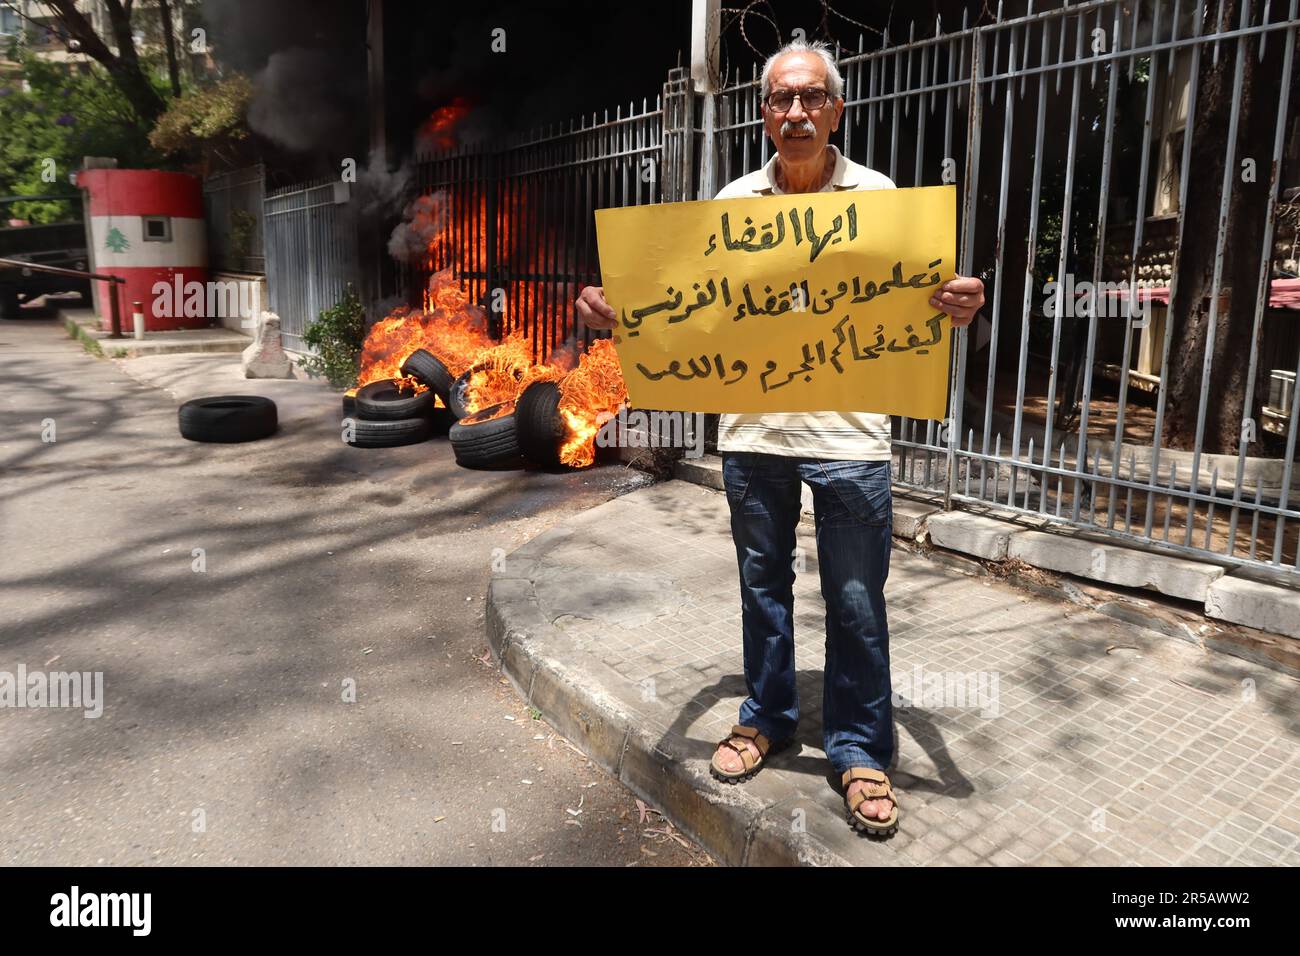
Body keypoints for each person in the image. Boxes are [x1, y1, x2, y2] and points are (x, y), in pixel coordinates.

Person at [576, 39, 985, 836]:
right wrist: (621, 314)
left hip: (852, 440)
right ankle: (765, 716)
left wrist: (957, 301)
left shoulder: (882, 198)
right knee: (762, 588)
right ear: (763, 113)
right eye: (779, 99)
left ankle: (861, 749)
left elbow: (917, 303)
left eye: (811, 97)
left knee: (858, 602)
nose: (795, 112)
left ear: (837, 107)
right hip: (754, 435)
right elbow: (688, 312)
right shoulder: (730, 205)